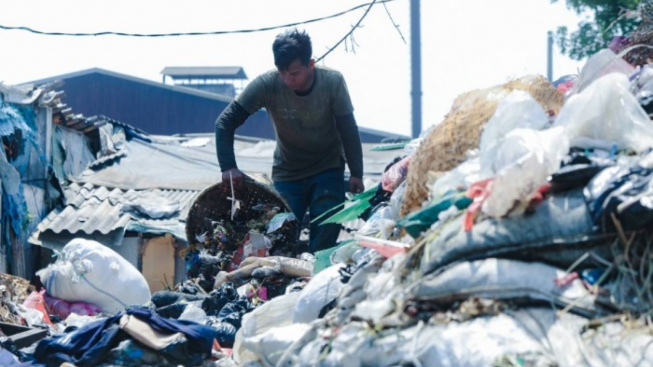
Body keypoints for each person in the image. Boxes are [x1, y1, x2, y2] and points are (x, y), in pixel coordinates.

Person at [215, 28, 365, 253]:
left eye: (294, 74)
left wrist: (356, 173)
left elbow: (348, 130)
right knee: (280, 239)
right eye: (282, 72)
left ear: (310, 65)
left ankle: (317, 282)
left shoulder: (332, 83)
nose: (287, 80)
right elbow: (224, 122)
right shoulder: (267, 84)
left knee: (323, 241)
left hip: (328, 169)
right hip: (288, 174)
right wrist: (228, 166)